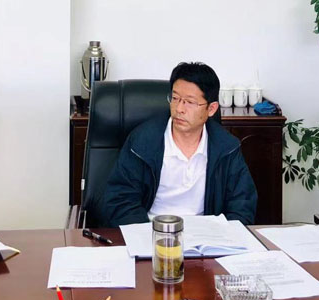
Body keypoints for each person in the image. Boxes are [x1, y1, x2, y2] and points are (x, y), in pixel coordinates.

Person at [101, 62, 258, 227]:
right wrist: (149, 235)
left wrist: (222, 235)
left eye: (190, 102)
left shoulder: (227, 148)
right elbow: (120, 201)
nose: (179, 109)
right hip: (152, 233)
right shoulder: (142, 142)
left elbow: (242, 205)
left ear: (211, 109)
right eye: (175, 98)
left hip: (206, 236)